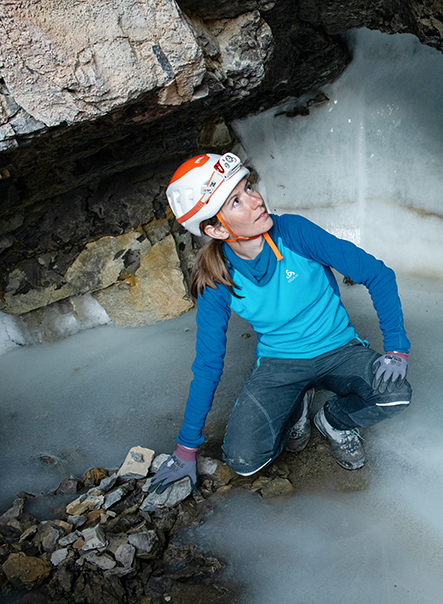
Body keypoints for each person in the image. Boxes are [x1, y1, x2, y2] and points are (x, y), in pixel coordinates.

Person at [149, 152, 411, 492]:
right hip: (280, 363)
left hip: (340, 350)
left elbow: (377, 274)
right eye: (236, 201)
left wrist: (396, 349)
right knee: (243, 461)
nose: (256, 201)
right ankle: (295, 404)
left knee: (395, 395)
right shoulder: (217, 279)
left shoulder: (294, 233)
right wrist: (186, 448)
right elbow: (208, 365)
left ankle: (334, 420)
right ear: (214, 228)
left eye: (249, 188)